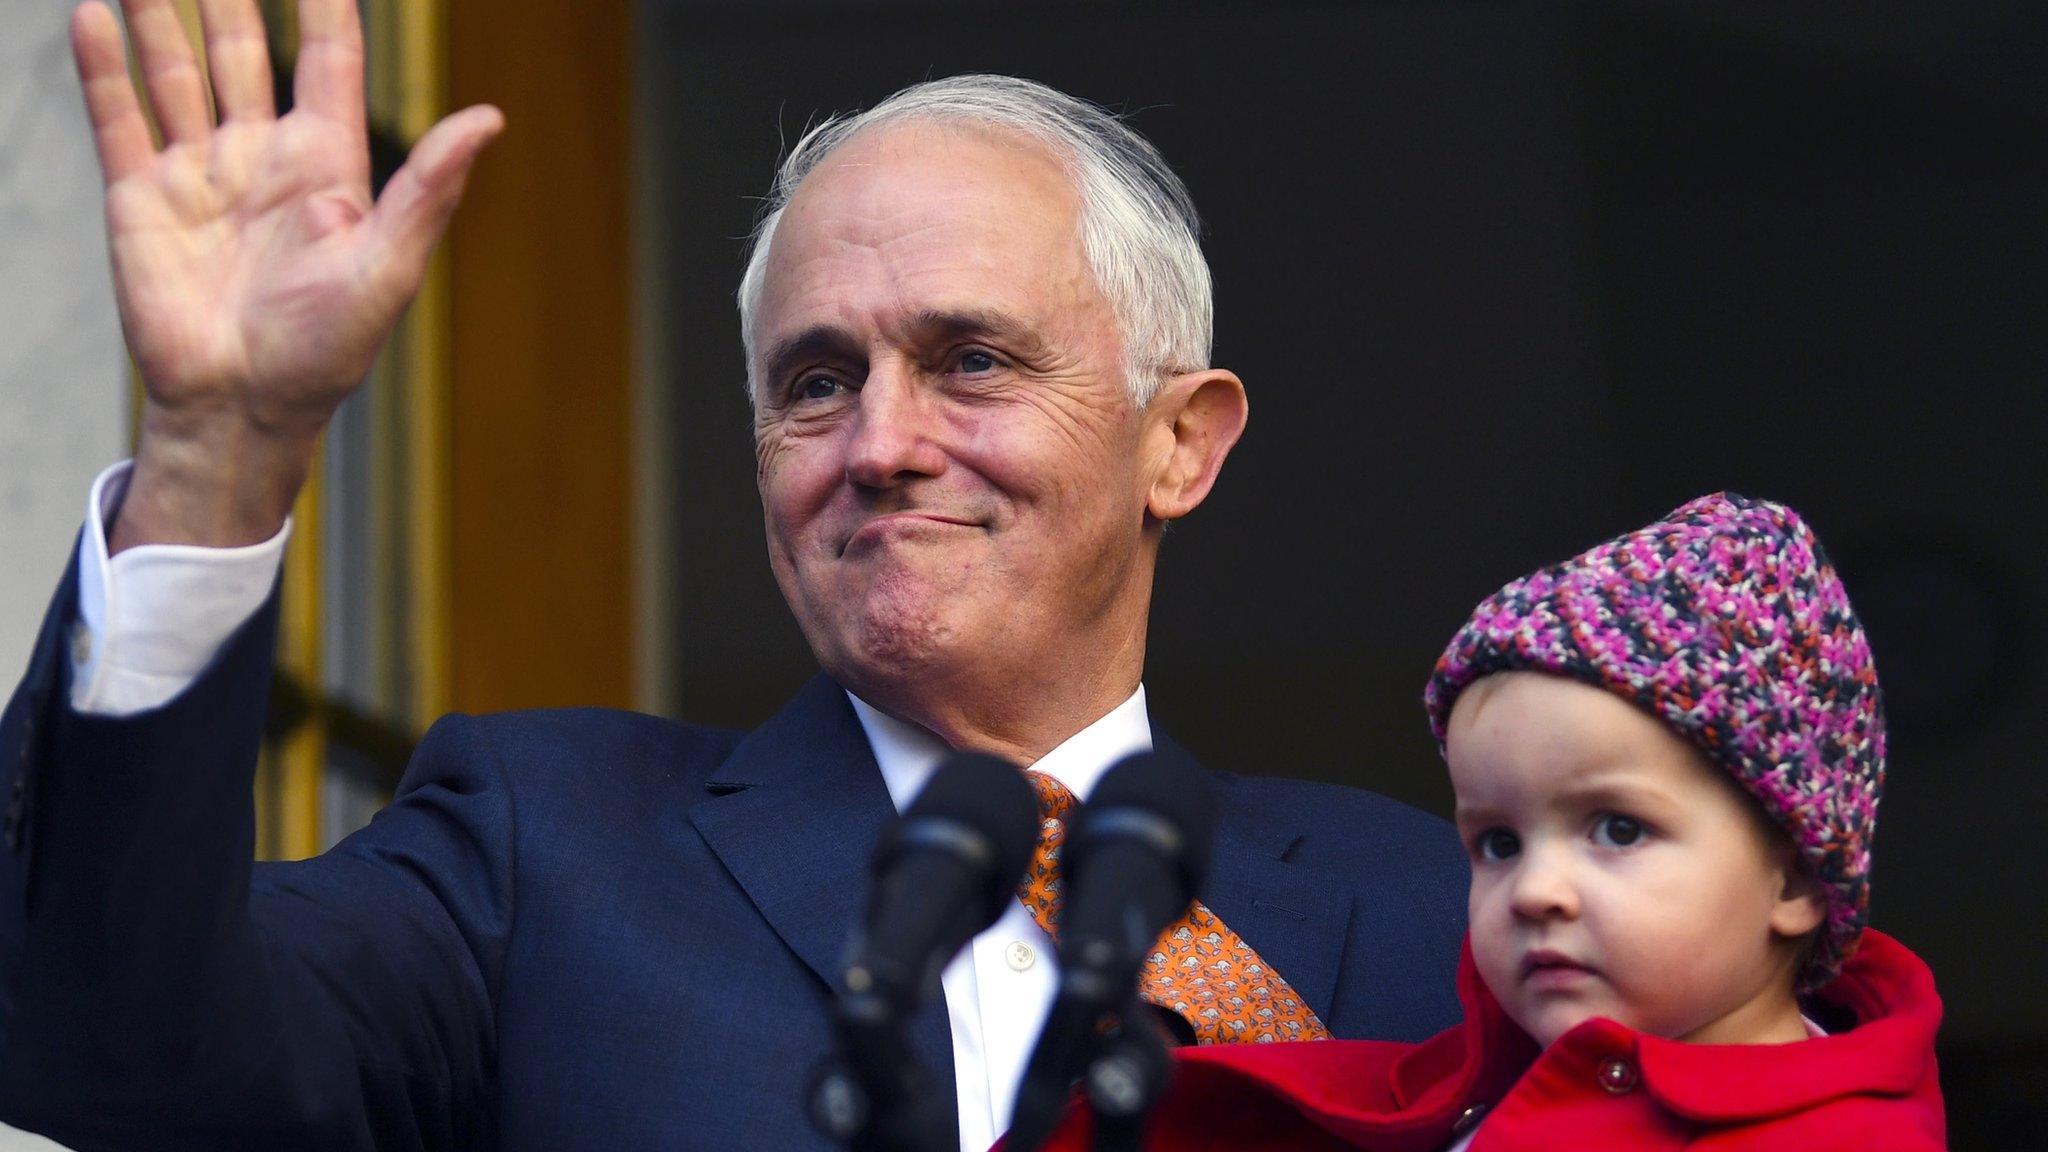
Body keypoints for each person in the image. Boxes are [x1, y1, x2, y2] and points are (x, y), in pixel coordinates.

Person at [0, 2, 1468, 1150]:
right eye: (818, 381)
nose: (882, 443)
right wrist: (220, 446)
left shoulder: (1432, 912)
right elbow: (104, 1040)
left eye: (970, 360)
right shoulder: (543, 858)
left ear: (1179, 444)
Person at [1029, 494, 1946, 1150]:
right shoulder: (1462, 1093)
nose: (1536, 891)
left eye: (1617, 830)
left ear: (1791, 879)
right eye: (1498, 843)